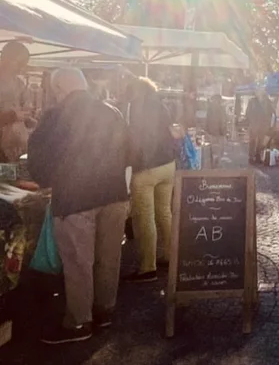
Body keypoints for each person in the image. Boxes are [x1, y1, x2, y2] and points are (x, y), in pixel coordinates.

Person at [28, 68, 130, 344]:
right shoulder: (112, 112)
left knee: (78, 263)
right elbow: (130, 152)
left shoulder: (54, 118)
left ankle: (78, 323)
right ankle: (104, 312)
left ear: (60, 89)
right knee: (108, 258)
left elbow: (39, 166)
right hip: (115, 194)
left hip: (76, 199)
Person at [124, 77, 177, 283]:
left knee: (144, 217)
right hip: (168, 165)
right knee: (164, 212)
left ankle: (148, 268)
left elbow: (137, 138)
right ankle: (170, 256)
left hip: (147, 167)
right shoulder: (161, 105)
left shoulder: (137, 106)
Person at [0, 42, 31, 162]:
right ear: (5, 58)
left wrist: (29, 119)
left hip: (16, 149)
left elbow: (25, 109)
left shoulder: (19, 84)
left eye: (24, 64)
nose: (21, 68)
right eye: (19, 63)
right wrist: (12, 116)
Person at [245, 92, 271, 163]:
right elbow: (248, 113)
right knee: (252, 141)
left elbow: (270, 113)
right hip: (254, 125)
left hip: (262, 125)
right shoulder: (252, 101)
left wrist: (267, 123)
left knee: (260, 142)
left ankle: (258, 156)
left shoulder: (267, 101)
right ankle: (251, 157)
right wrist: (252, 121)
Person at [205, 94, 227, 167]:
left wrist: (206, 131)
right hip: (219, 133)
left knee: (212, 149)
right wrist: (224, 133)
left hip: (211, 132)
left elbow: (207, 121)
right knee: (219, 150)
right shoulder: (221, 109)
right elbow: (223, 122)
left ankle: (213, 163)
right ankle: (216, 163)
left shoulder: (209, 109)